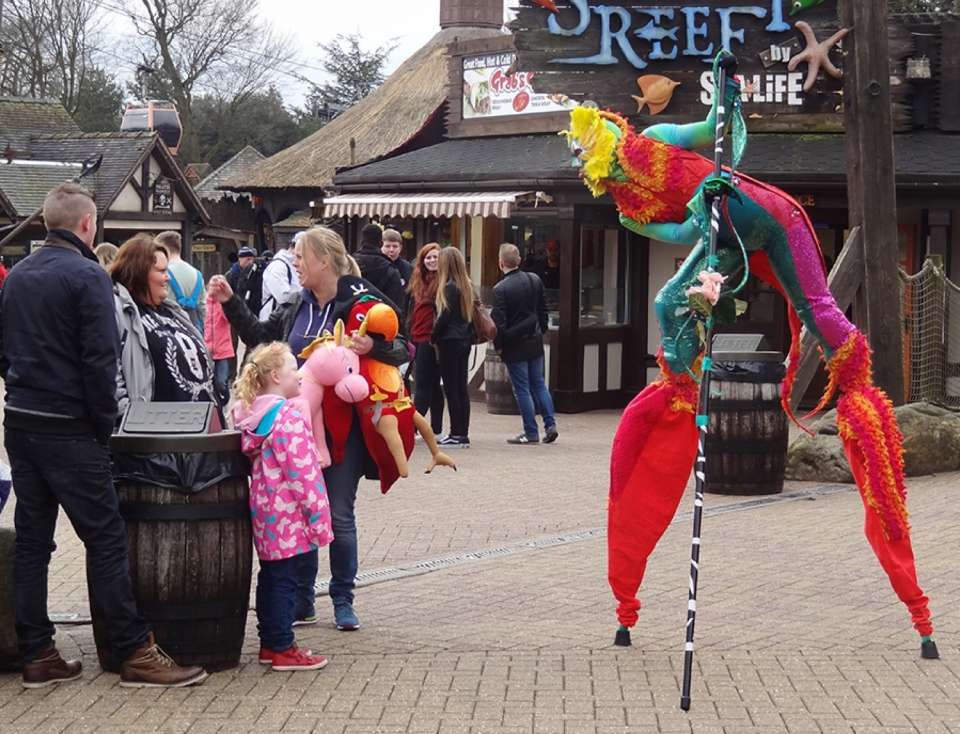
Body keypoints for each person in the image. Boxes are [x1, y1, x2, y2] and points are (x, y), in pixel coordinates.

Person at [0, 182, 207, 688]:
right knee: (106, 537)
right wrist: (101, 427)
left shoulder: (19, 274)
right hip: (70, 426)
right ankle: (134, 649)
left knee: (33, 541)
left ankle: (37, 653)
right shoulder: (88, 276)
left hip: (21, 420)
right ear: (88, 224)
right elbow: (100, 361)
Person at [207, 226, 411, 632]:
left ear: (322, 259)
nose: (295, 263)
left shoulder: (362, 302)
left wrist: (375, 348)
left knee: (337, 515)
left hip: (343, 429)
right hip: (293, 429)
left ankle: (342, 599)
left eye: (300, 256)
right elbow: (262, 340)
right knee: (299, 513)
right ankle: (303, 600)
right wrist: (232, 304)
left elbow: (404, 346)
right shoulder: (294, 305)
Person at [232, 342, 333, 672]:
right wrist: (319, 515)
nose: (300, 377)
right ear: (276, 376)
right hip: (290, 513)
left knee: (273, 577)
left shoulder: (253, 415)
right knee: (286, 581)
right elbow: (303, 471)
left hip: (265, 511)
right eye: (293, 370)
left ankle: (270, 642)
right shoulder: (288, 415)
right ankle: (281, 647)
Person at [111, 234, 217, 411]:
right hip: (158, 431)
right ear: (139, 272)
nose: (168, 277)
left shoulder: (174, 312)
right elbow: (108, 371)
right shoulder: (118, 309)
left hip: (201, 427)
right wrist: (129, 417)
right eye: (161, 271)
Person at [492, 243, 559, 445]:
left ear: (500, 263)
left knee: (522, 389)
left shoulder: (500, 289)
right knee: (539, 384)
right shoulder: (534, 279)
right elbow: (543, 309)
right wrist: (542, 329)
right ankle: (550, 424)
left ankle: (531, 432)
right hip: (535, 339)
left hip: (514, 344)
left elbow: (500, 323)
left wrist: (500, 345)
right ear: (519, 260)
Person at [431, 247, 475, 449]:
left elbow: (444, 317)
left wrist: (433, 336)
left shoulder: (449, 287)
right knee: (461, 389)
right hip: (464, 340)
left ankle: (456, 433)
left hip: (449, 341)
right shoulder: (466, 285)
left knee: (451, 389)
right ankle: (462, 433)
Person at [407, 243, 444, 436]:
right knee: (432, 385)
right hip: (417, 336)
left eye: (435, 257)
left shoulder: (444, 282)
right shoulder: (419, 281)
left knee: (423, 384)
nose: (431, 261)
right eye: (428, 257)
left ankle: (414, 426)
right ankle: (435, 427)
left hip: (431, 338)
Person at [156, 231, 205, 331]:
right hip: (194, 331)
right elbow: (203, 309)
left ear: (163, 249)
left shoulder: (161, 273)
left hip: (169, 330)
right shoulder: (198, 274)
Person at [353, 223, 405, 316]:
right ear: (381, 243)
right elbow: (397, 305)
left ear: (362, 241)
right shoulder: (390, 269)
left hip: (353, 320)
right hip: (381, 320)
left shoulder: (349, 265)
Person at [204, 280, 236, 405]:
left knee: (221, 382)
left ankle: (225, 400)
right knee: (210, 381)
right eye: (212, 286)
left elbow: (229, 318)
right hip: (207, 349)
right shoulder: (203, 303)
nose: (214, 289)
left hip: (222, 350)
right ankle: (216, 404)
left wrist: (224, 302)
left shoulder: (223, 304)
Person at [260, 238, 300, 320]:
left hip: (286, 320)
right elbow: (283, 297)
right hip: (273, 323)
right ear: (294, 247)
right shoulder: (278, 266)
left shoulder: (292, 265)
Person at [226, 246, 263, 318]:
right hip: (237, 312)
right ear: (240, 259)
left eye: (252, 259)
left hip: (253, 312)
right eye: (248, 259)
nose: (250, 262)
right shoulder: (231, 275)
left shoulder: (256, 273)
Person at [382, 228, 412, 315]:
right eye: (387, 246)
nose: (391, 250)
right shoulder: (376, 267)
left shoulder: (408, 268)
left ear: (400, 248)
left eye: (395, 246)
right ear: (381, 246)